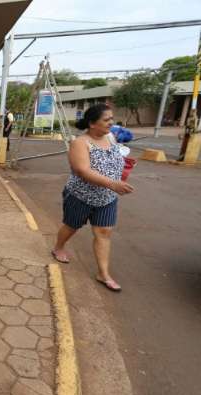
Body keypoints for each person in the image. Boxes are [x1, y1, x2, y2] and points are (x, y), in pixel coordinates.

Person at [52, 104, 134, 292]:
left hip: (107, 198)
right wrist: (113, 183)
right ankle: (58, 247)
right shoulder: (80, 143)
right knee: (72, 226)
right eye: (106, 120)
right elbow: (82, 171)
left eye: (111, 118)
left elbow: (116, 156)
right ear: (92, 123)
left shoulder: (111, 137)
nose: (111, 123)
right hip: (80, 196)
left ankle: (103, 274)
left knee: (104, 232)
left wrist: (122, 169)